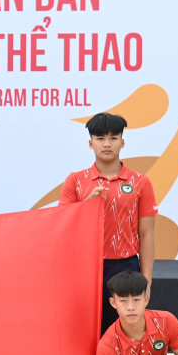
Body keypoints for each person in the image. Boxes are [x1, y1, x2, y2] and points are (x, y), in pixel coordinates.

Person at [59, 112, 157, 334]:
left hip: (125, 266)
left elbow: (147, 234)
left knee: (122, 331)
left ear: (122, 142)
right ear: (90, 143)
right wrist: (87, 205)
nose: (107, 144)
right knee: (82, 330)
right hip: (84, 266)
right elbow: (63, 228)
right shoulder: (75, 181)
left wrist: (147, 281)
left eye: (113, 138)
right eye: (100, 138)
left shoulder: (140, 182)